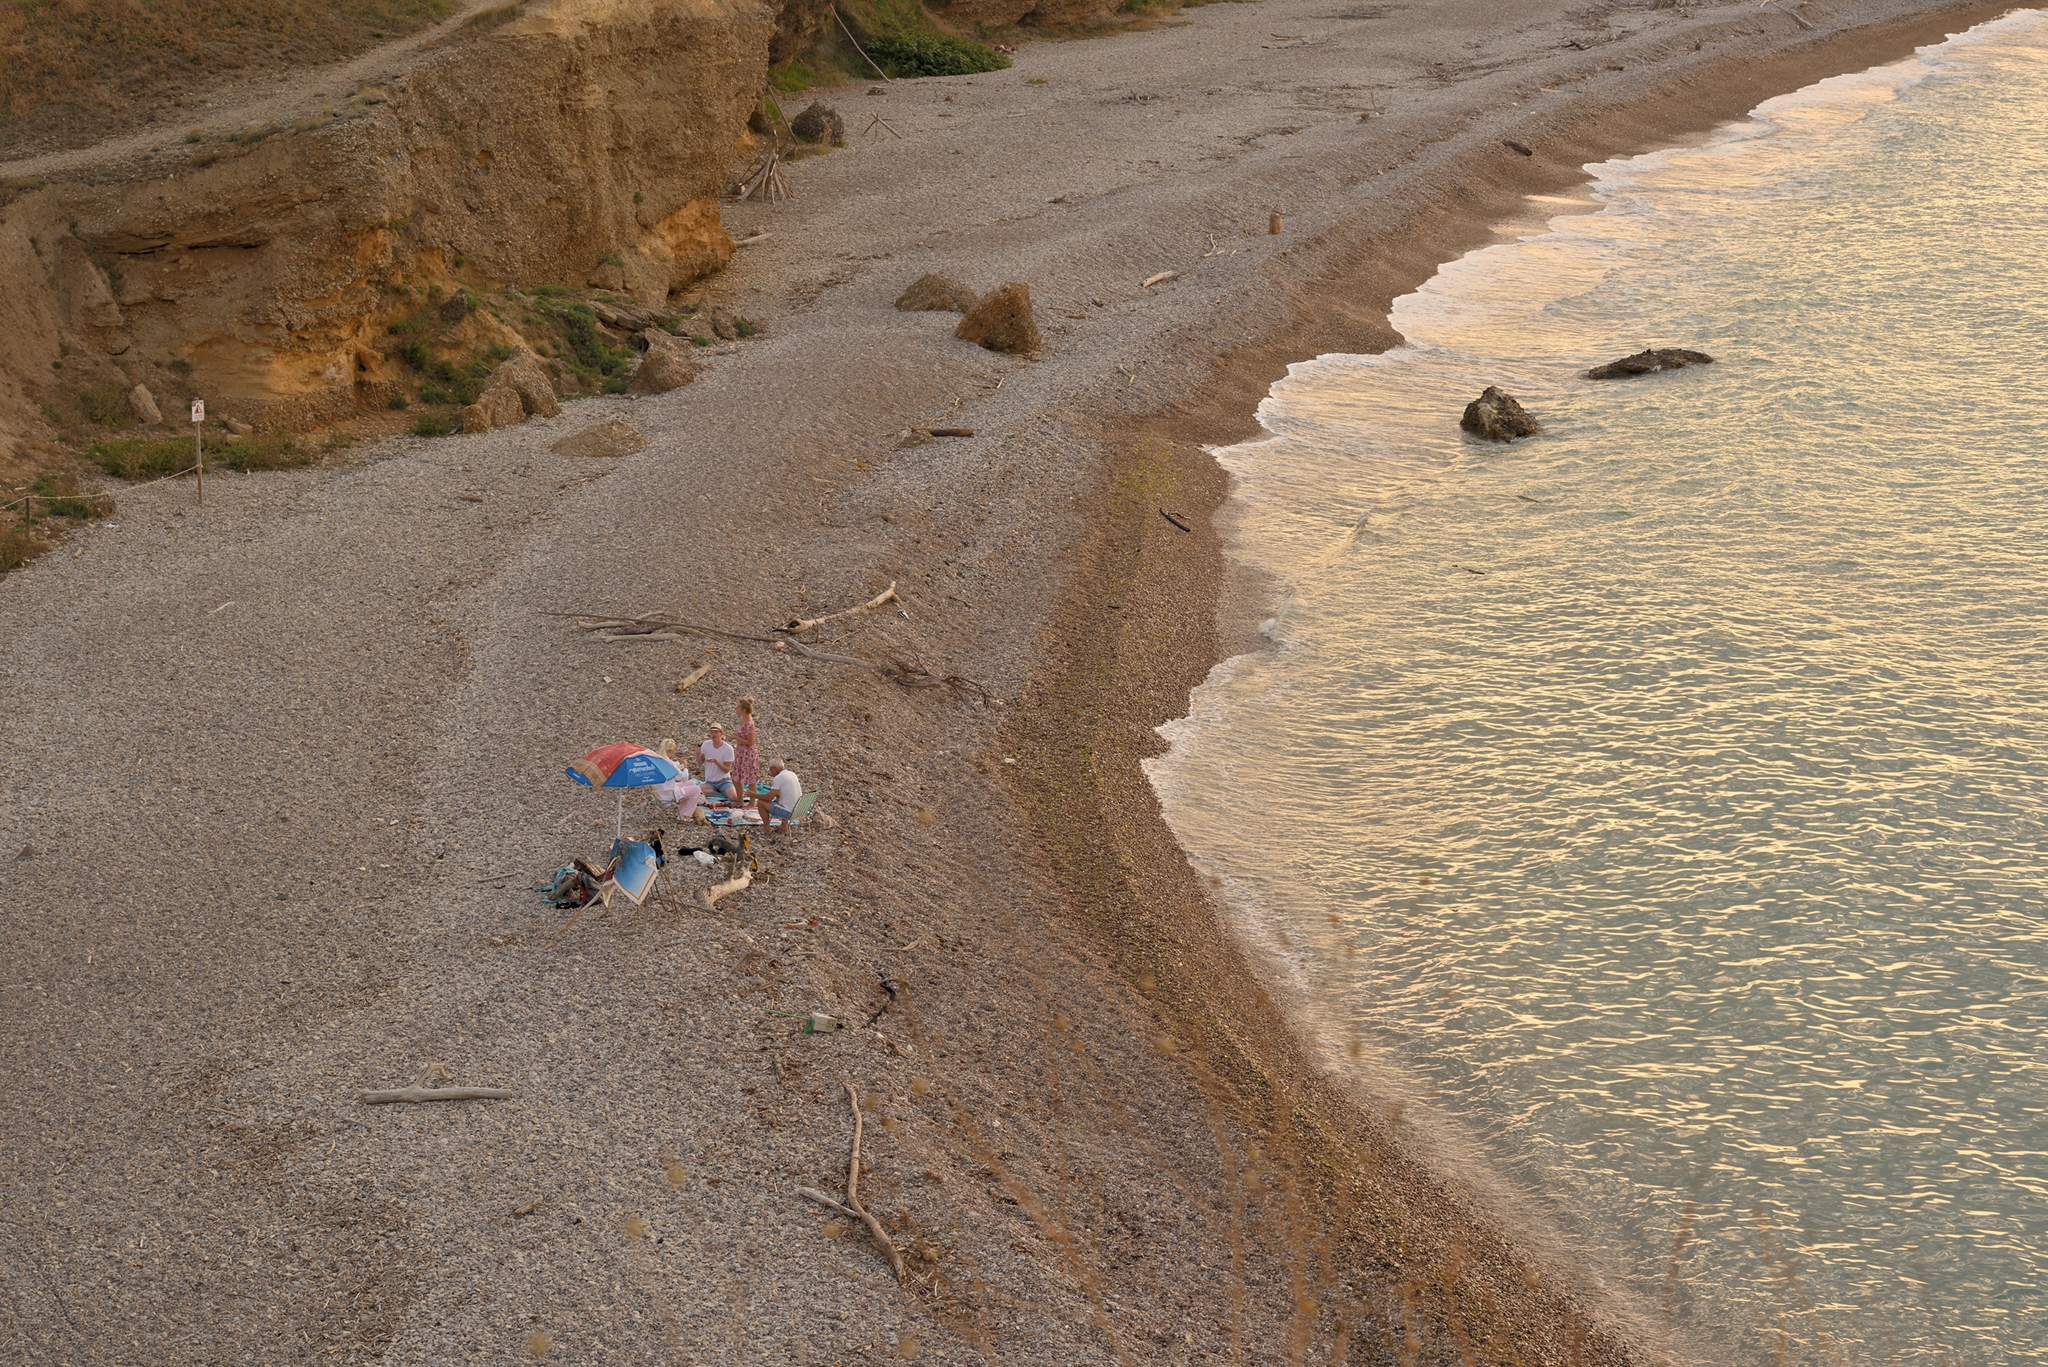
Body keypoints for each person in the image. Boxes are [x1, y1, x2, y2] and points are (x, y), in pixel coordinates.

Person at [651, 739, 703, 822]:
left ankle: (682, 812)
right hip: (668, 793)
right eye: (674, 749)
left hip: (660, 791)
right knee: (696, 789)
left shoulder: (657, 761)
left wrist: (679, 768)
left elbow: (673, 770)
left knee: (691, 783)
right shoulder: (669, 764)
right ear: (670, 750)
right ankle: (683, 815)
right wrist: (685, 767)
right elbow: (684, 778)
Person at [756, 758, 801, 835]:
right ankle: (783, 826)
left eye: (771, 769)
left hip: (789, 812)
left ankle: (767, 829)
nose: (770, 772)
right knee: (783, 800)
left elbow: (769, 798)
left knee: (760, 803)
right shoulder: (792, 774)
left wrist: (753, 795)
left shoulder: (778, 778)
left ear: (774, 768)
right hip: (800, 810)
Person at [699, 725, 737, 802]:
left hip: (723, 781)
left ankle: (724, 791)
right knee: (698, 790)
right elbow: (700, 762)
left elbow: (727, 770)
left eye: (716, 732)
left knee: (734, 797)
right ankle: (720, 794)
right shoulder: (706, 744)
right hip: (710, 781)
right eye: (711, 732)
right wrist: (697, 754)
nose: (713, 734)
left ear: (721, 733)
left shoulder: (728, 749)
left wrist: (716, 762)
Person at [732, 698, 761, 796]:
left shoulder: (749, 724)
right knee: (737, 777)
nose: (736, 708)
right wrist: (735, 736)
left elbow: (750, 742)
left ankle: (751, 802)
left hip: (748, 754)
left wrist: (736, 737)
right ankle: (740, 800)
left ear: (743, 710)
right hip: (740, 752)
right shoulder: (742, 720)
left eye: (738, 707)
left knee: (751, 779)